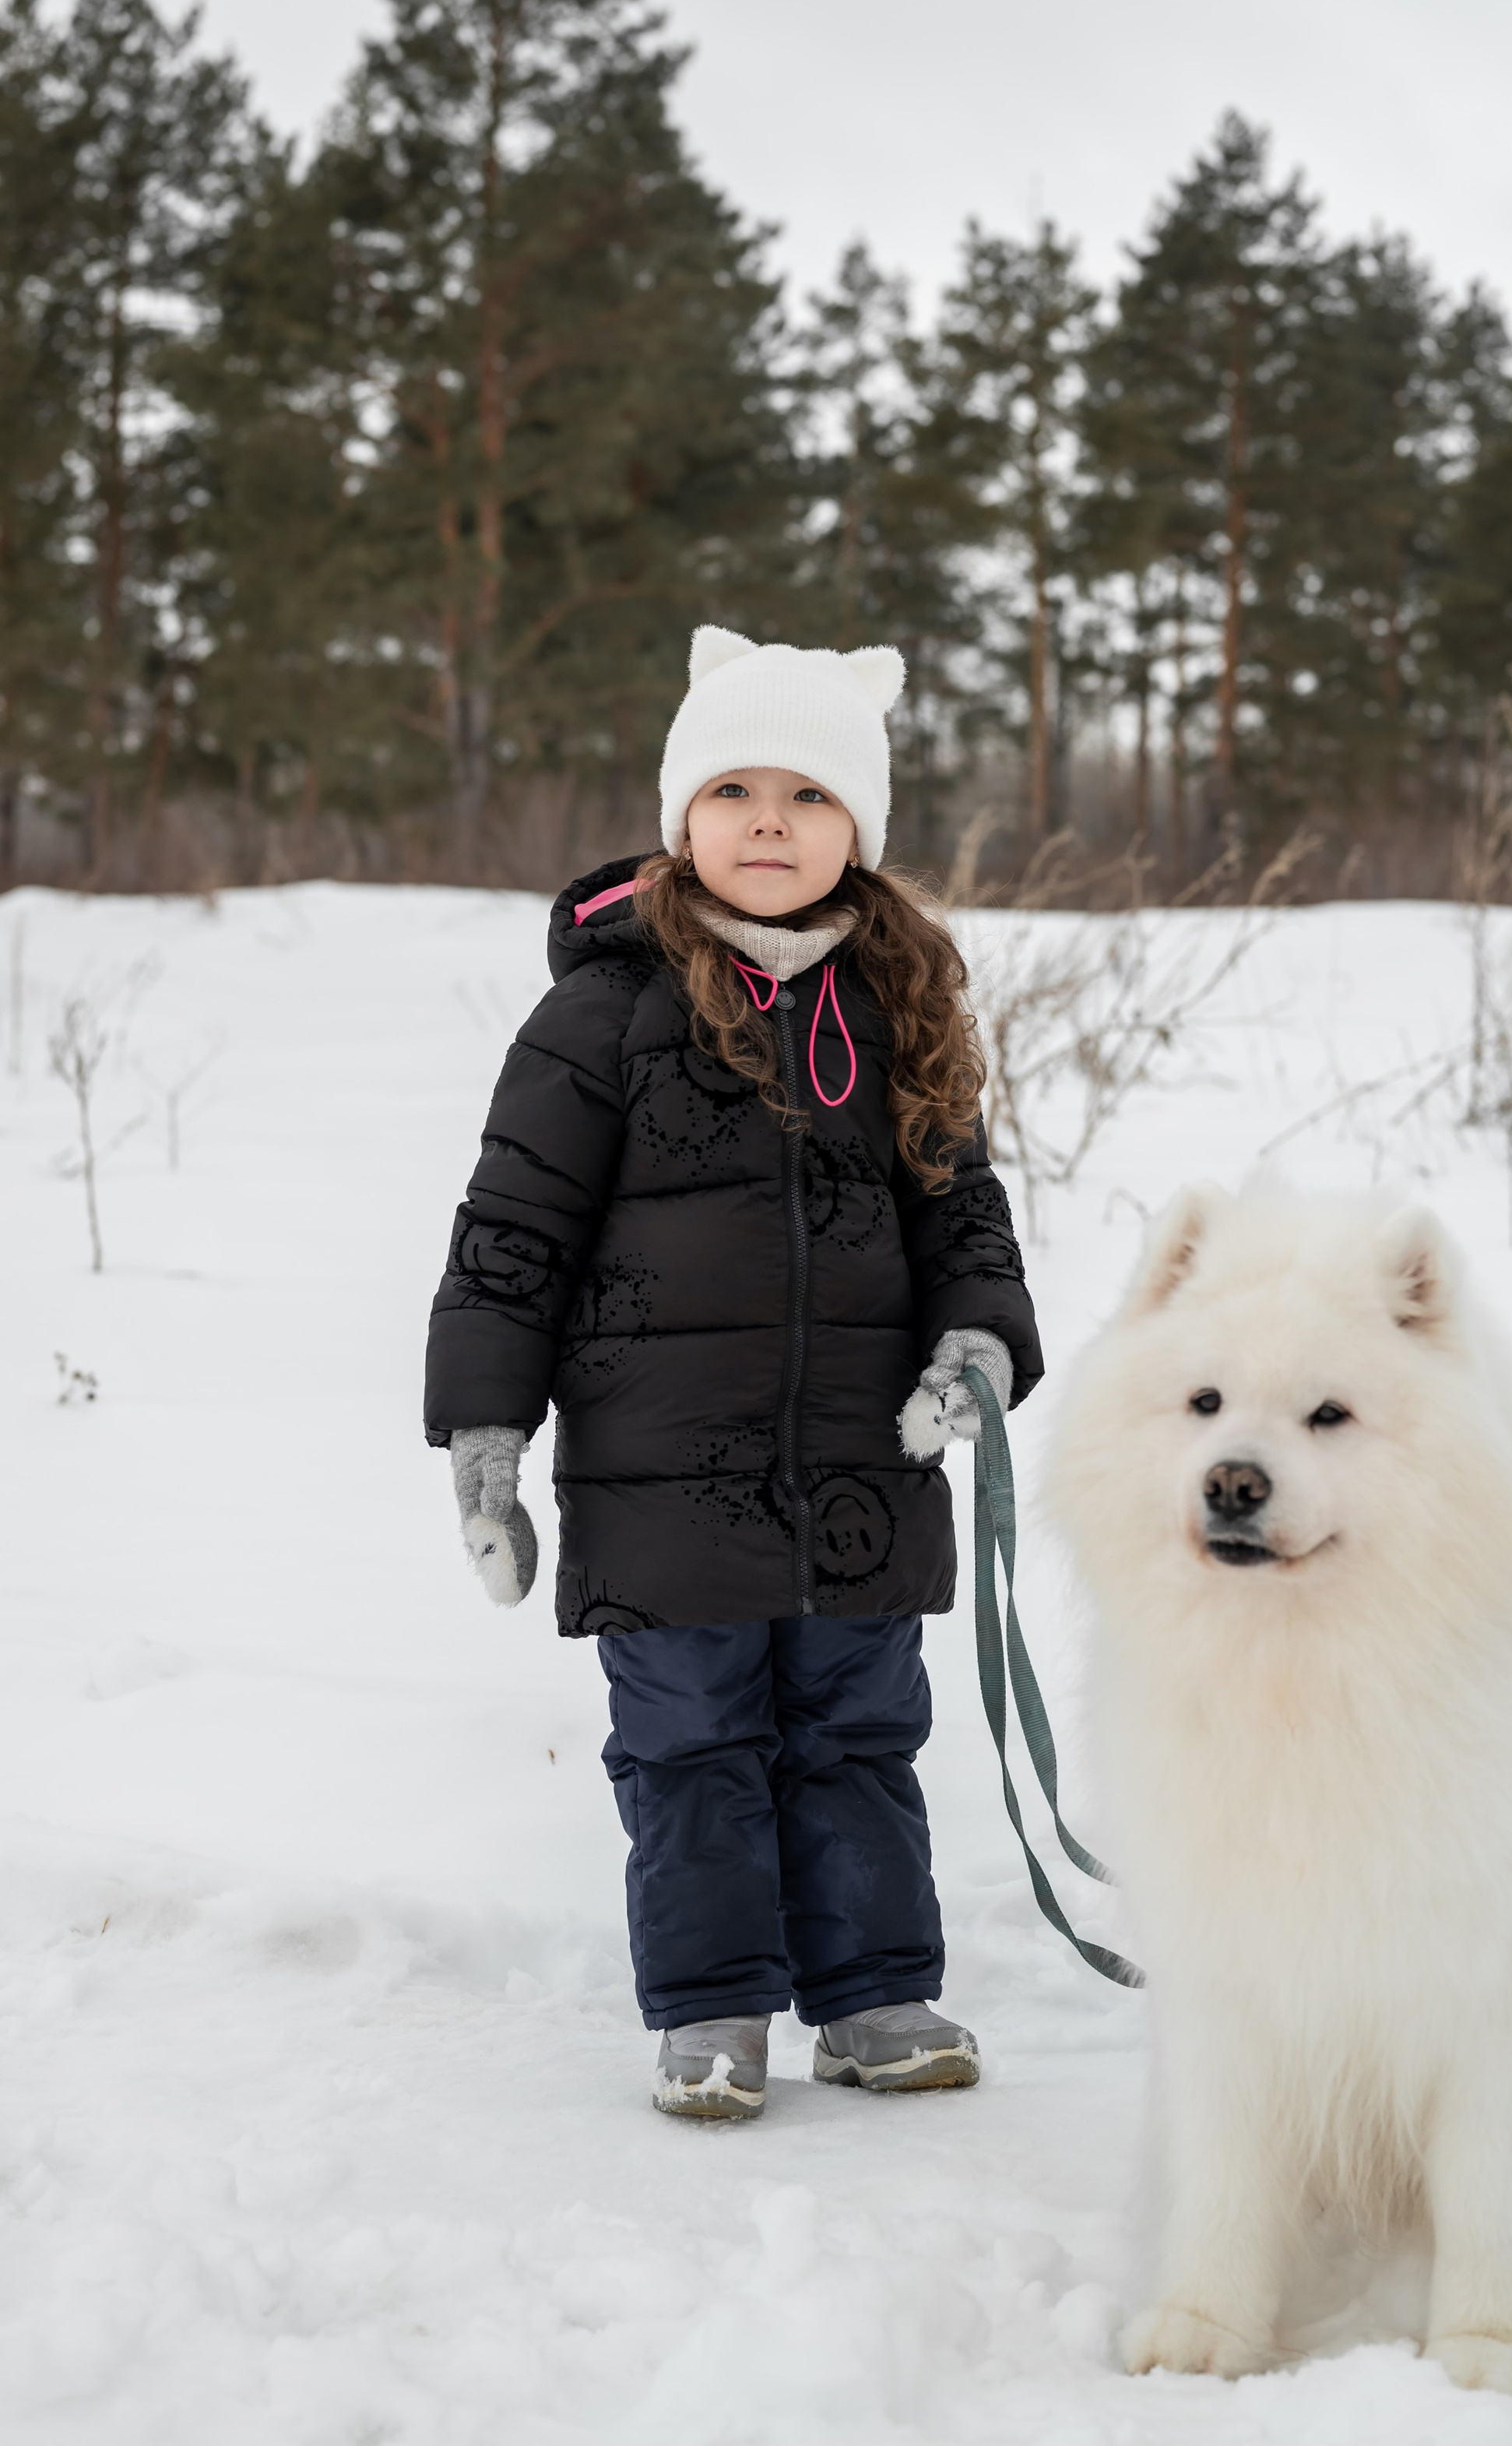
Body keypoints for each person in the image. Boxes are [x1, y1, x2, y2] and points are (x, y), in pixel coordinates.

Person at [424, 628, 1041, 2121]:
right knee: (692, 1736)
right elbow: (513, 1229)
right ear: (681, 815)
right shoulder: (603, 1012)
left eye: (811, 796)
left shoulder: (897, 1012)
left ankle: (875, 1990)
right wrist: (487, 1429)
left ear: (861, 832)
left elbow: (961, 1207)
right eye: (737, 789)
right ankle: (710, 2009)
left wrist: (979, 1339)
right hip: (660, 1473)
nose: (771, 822)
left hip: (860, 1463)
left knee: (859, 1734)